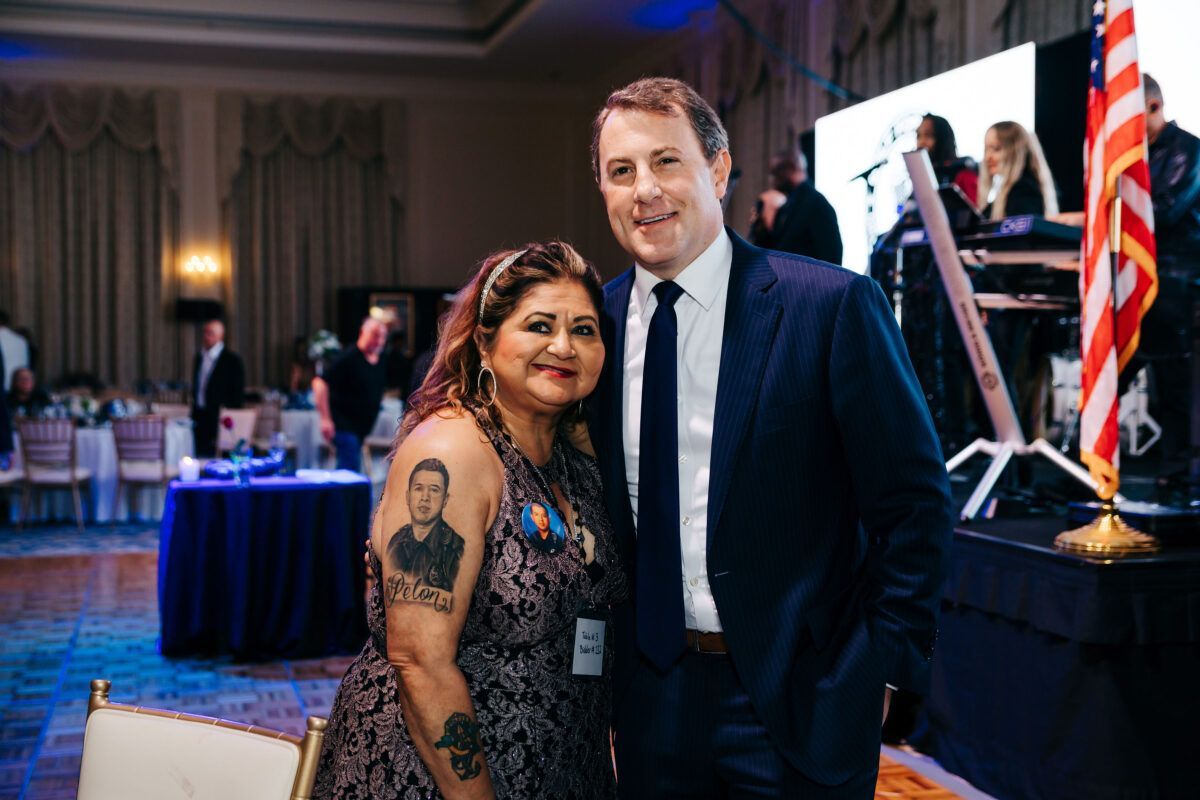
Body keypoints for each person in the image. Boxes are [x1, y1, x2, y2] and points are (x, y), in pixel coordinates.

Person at [588, 77, 952, 797]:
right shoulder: (590, 328)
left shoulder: (832, 306)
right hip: (648, 702)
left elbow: (913, 505)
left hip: (800, 694)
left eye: (666, 162)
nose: (644, 191)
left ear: (718, 170)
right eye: (620, 171)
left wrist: (878, 667)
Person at [314, 242, 628, 799]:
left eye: (584, 330)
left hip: (559, 766)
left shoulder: (572, 455)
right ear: (485, 340)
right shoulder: (453, 453)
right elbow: (420, 661)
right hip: (438, 777)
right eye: (539, 325)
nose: (564, 346)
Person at [1136, 74, 1200, 456]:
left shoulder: (1188, 151)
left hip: (1179, 279)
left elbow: (1164, 212)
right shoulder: (1135, 155)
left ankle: (1175, 470)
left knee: (1172, 373)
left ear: (1154, 107)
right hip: (1145, 278)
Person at [313, 317, 388, 473]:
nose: (379, 341)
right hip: (343, 425)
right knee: (349, 472)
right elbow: (319, 383)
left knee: (351, 470)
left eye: (382, 337)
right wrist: (325, 419)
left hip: (360, 429)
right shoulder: (349, 357)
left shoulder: (379, 360)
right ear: (363, 332)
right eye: (375, 335)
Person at [750, 149, 843, 264]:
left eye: (779, 171)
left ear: (797, 169)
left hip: (807, 280)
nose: (773, 179)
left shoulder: (815, 203)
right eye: (773, 173)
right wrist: (764, 224)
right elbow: (766, 255)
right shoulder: (785, 206)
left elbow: (832, 259)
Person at [979, 120, 1059, 219]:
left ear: (1015, 152)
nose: (988, 157)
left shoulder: (1023, 191)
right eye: (986, 149)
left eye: (996, 148)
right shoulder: (1013, 191)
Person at [191, 318, 246, 457]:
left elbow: (237, 393)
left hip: (219, 417)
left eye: (210, 333)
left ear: (220, 336)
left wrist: (227, 413)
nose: (206, 337)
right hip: (200, 414)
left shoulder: (232, 360)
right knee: (200, 453)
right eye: (205, 333)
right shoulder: (200, 357)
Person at [916, 113, 979, 204]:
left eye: (928, 135)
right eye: (918, 136)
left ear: (943, 140)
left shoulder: (964, 174)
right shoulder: (921, 179)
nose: (921, 142)